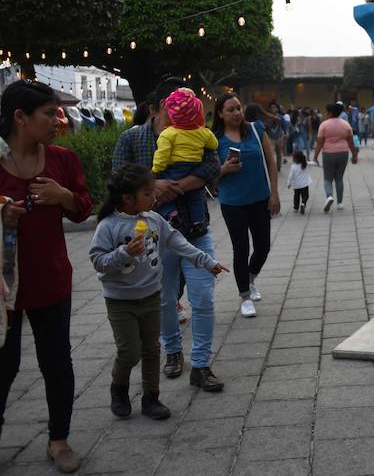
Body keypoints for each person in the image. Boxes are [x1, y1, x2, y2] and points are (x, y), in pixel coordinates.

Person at [0, 80, 93, 473]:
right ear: (21, 118)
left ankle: (59, 439)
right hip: (4, 287)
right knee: (4, 366)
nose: (58, 120)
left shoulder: (62, 160)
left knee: (57, 361)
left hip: (52, 279)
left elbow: (83, 209)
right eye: (48, 113)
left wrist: (64, 197)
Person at [111, 77, 224, 392]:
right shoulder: (132, 140)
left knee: (203, 297)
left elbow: (213, 166)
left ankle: (201, 365)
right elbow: (117, 181)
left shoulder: (196, 133)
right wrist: (153, 184)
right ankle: (172, 351)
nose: (182, 113)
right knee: (164, 298)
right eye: (173, 108)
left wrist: (177, 186)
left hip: (194, 229)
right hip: (153, 234)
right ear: (154, 108)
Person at [89, 164, 227, 421]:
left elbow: (179, 242)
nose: (155, 197)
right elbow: (97, 260)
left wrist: (207, 262)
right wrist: (124, 253)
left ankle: (151, 397)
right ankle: (119, 390)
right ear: (128, 198)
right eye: (148, 192)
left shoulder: (154, 220)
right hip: (121, 302)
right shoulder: (108, 226)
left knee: (152, 350)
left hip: (151, 295)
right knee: (129, 351)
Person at [213, 93, 280, 318]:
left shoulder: (255, 130)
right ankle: (244, 296)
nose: (237, 113)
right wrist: (223, 170)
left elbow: (271, 163)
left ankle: (250, 279)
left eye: (238, 108)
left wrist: (275, 193)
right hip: (233, 202)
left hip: (260, 198)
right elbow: (208, 175)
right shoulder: (214, 139)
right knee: (240, 249)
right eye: (230, 110)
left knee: (263, 247)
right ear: (220, 114)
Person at [152, 88, 218, 233]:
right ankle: (198, 221)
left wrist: (156, 171)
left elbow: (162, 155)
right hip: (193, 167)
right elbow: (214, 145)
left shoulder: (167, 133)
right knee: (194, 197)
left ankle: (172, 215)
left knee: (167, 198)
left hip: (173, 169)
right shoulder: (203, 132)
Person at [312, 103, 358, 211]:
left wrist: (315, 157)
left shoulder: (324, 125)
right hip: (343, 153)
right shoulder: (346, 124)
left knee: (328, 178)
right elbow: (351, 142)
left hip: (328, 153)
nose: (325, 113)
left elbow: (319, 143)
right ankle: (340, 203)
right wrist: (354, 155)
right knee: (339, 178)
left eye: (326, 112)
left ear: (330, 112)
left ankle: (329, 197)